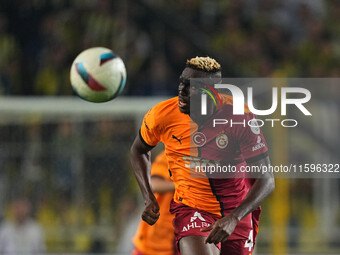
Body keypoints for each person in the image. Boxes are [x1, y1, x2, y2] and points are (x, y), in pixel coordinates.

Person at [130, 56, 275, 255]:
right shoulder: (161, 115)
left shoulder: (239, 116)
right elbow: (138, 150)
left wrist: (234, 217)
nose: (181, 91)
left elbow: (266, 179)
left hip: (235, 212)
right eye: (182, 82)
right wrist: (149, 198)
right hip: (192, 208)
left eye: (191, 87)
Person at [132, 150, 177, 255]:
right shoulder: (171, 155)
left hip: (187, 232)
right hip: (156, 239)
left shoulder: (213, 160)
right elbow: (153, 184)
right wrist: (186, 185)